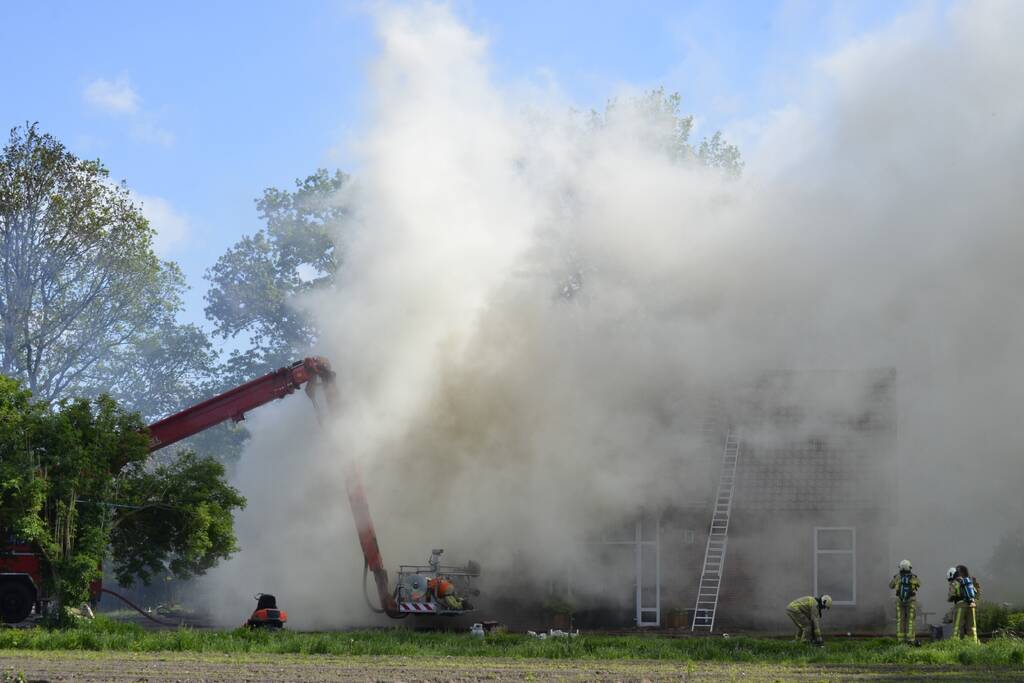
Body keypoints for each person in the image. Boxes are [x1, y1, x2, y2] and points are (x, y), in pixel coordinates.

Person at [888, 559, 920, 643]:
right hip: (911, 600)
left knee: (900, 619)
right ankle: (910, 639)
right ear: (909, 567)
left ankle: (900, 639)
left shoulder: (897, 577)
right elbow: (919, 584)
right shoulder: (914, 577)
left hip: (899, 601)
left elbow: (890, 586)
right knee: (910, 620)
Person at [950, 564, 982, 643]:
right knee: (972, 628)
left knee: (957, 626)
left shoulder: (956, 582)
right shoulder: (969, 582)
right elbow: (977, 595)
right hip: (972, 605)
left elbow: (951, 594)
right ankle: (974, 644)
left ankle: (954, 644)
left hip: (960, 606)